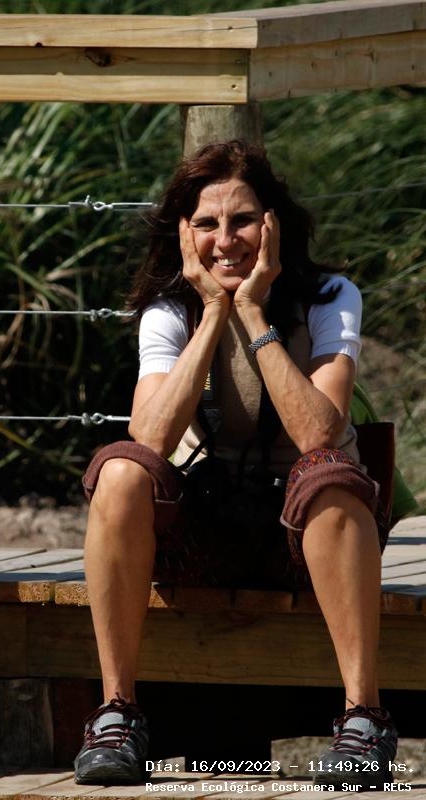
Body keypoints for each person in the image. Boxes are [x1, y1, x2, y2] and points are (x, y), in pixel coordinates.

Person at [73, 140, 397, 788]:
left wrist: (251, 311)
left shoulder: (329, 296)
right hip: (210, 521)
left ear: (273, 224)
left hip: (310, 537)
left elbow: (319, 430)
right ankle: (117, 714)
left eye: (243, 220)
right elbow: (150, 434)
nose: (226, 240)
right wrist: (213, 313)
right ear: (184, 233)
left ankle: (364, 718)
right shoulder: (170, 309)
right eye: (207, 223)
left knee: (329, 478)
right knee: (120, 470)